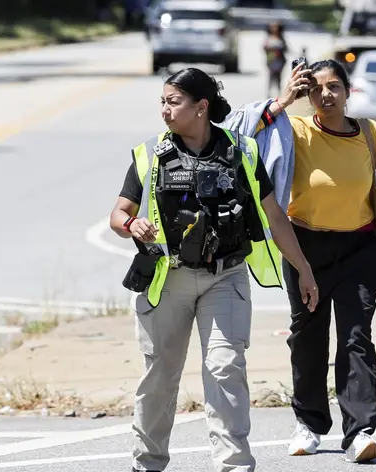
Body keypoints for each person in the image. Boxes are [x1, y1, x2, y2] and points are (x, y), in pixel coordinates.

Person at [109, 67, 319, 472]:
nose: (165, 111)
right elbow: (118, 212)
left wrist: (304, 270)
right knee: (160, 377)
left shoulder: (242, 151)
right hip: (167, 279)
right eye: (163, 102)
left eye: (173, 102)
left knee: (225, 367)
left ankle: (234, 465)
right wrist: (130, 224)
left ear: (201, 107)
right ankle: (147, 464)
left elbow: (275, 218)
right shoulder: (149, 154)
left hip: (226, 277)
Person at [249, 59, 376, 463]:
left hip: (360, 249)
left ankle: (360, 432)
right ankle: (308, 424)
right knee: (307, 336)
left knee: (356, 336)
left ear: (347, 91)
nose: (325, 95)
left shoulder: (369, 133)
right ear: (307, 96)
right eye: (316, 89)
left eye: (333, 87)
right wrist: (285, 98)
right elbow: (243, 139)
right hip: (304, 248)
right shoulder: (294, 129)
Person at [262, 22, 288, 96]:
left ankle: (279, 93)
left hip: (280, 61)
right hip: (271, 61)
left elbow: (286, 49)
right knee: (271, 77)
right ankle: (269, 93)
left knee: (279, 78)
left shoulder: (281, 38)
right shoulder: (268, 38)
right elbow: (264, 48)